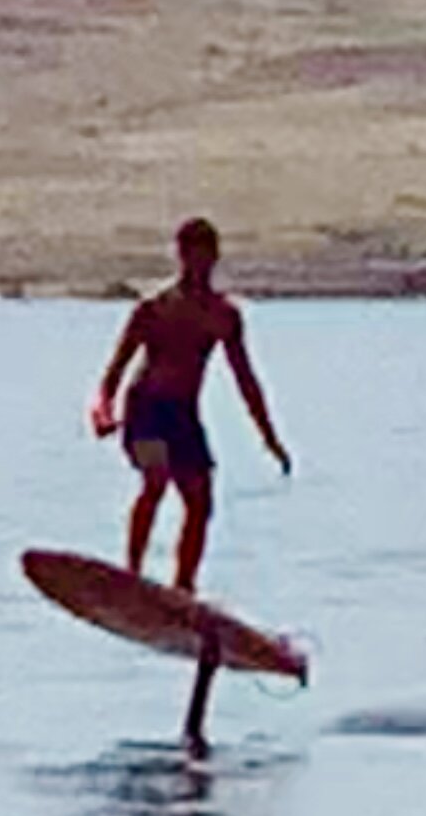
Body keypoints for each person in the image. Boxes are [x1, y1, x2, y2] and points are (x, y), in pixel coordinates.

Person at [90, 217, 291, 593]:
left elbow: (245, 380)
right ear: (179, 256)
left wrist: (269, 438)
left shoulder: (224, 317)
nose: (197, 264)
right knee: (156, 480)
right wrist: (103, 413)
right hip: (145, 407)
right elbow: (112, 374)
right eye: (190, 255)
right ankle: (131, 574)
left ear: (215, 258)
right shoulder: (153, 309)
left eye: (205, 256)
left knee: (201, 502)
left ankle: (184, 587)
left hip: (183, 413)